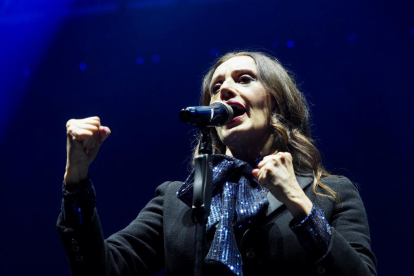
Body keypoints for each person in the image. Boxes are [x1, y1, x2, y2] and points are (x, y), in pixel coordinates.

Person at [57, 51, 377, 276]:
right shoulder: (176, 200)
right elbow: (100, 269)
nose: (224, 90)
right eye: (215, 87)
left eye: (245, 79)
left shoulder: (331, 193)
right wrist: (77, 179)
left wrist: (300, 204)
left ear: (276, 100)